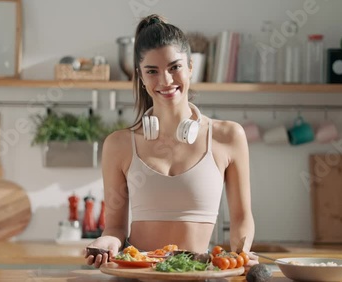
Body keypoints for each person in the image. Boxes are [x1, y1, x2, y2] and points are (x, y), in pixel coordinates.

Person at [85, 14, 258, 268]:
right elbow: (115, 228)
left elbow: (242, 217)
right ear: (141, 78)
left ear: (190, 67)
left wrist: (241, 253)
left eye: (174, 67)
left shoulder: (228, 137)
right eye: (152, 71)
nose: (165, 81)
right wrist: (106, 241)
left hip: (199, 274)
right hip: (139, 276)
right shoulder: (118, 145)